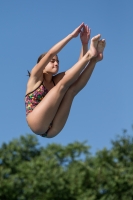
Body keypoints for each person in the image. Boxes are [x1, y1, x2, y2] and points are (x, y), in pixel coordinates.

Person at [25, 23, 106, 138]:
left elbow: (76, 71)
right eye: (52, 61)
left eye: (57, 61)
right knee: (62, 86)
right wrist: (71, 36)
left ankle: (94, 61)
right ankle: (90, 56)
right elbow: (50, 53)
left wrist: (84, 44)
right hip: (36, 123)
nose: (56, 63)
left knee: (71, 90)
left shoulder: (55, 80)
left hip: (52, 130)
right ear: (41, 66)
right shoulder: (35, 77)